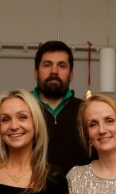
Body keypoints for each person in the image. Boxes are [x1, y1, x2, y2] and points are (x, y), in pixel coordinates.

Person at [32, 40, 89, 174]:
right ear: (36, 73)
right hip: (28, 188)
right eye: (47, 65)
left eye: (62, 66)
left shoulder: (87, 111)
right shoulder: (19, 110)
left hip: (78, 187)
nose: (54, 71)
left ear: (71, 75)